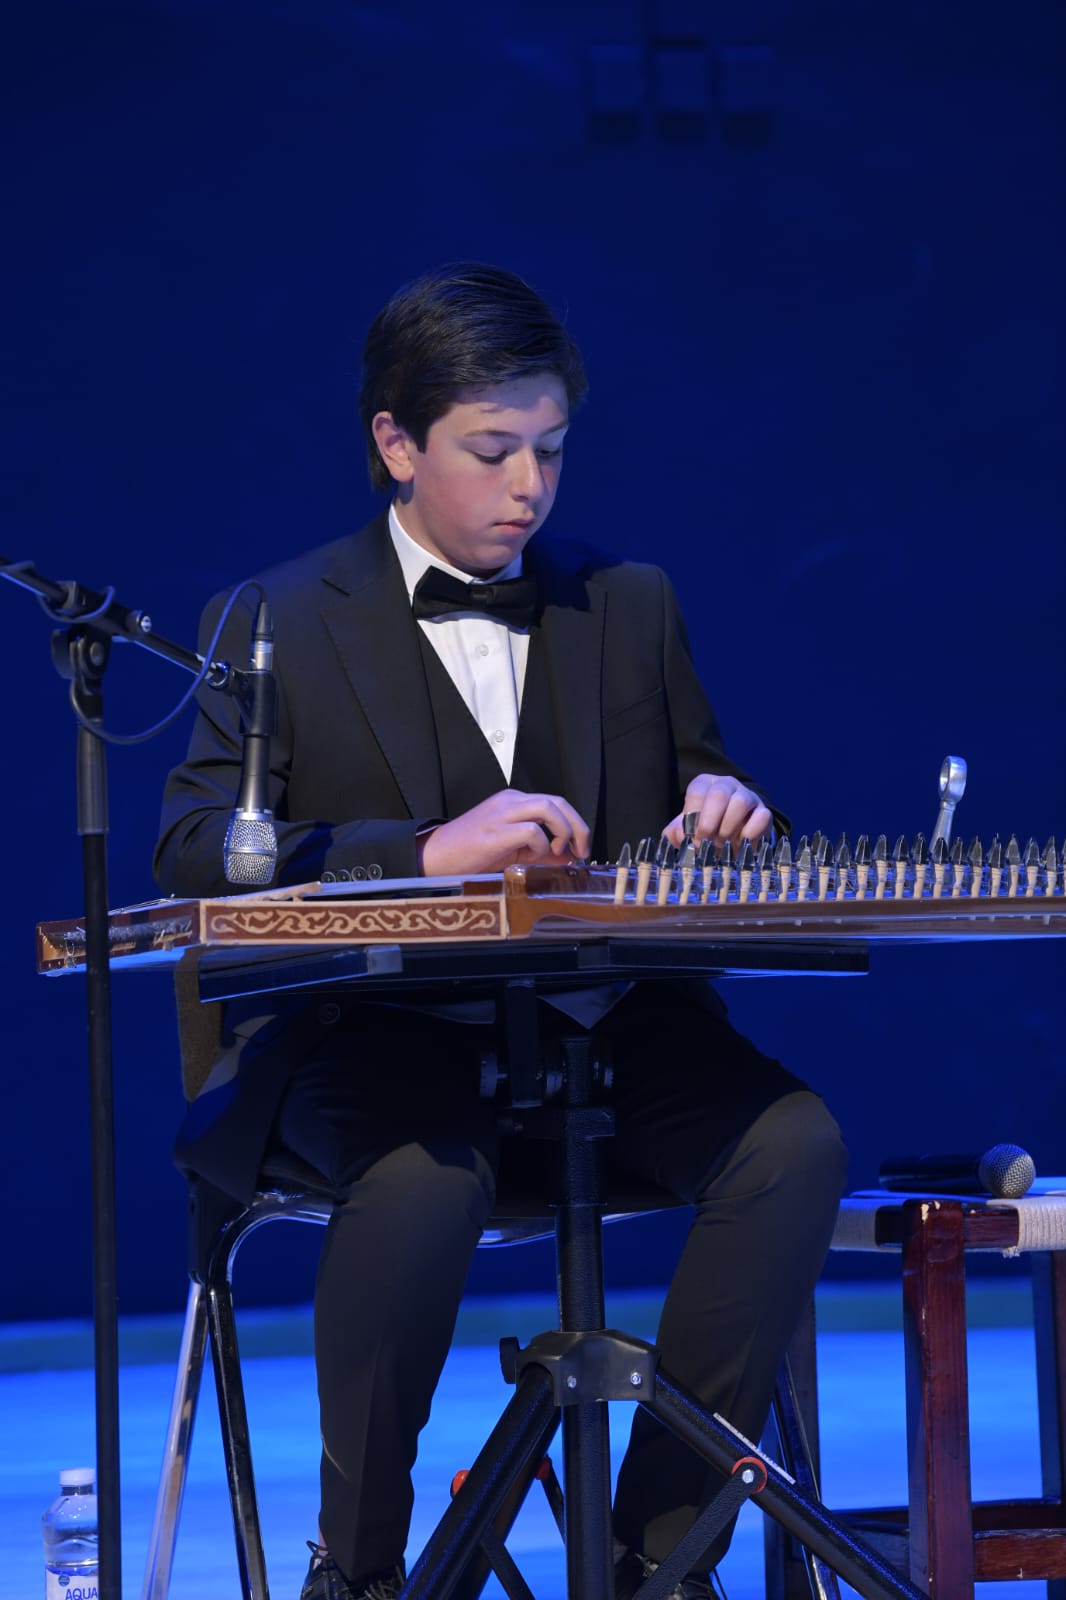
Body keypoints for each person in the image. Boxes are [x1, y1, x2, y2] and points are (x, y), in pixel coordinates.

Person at [155, 262, 848, 1600]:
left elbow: (699, 794)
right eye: (491, 452)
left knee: (791, 1143)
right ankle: (358, 1573)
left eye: (552, 450)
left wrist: (727, 810)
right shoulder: (275, 618)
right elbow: (195, 854)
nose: (530, 486)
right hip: (374, 1033)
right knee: (426, 1177)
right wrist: (420, 853)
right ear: (395, 444)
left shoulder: (627, 600)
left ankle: (654, 1555)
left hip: (603, 1026)